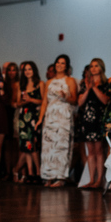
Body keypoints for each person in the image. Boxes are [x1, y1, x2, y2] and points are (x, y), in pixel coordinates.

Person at [36, 54, 78, 187]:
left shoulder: (70, 81)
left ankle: (60, 177)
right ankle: (48, 175)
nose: (59, 65)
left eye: (63, 63)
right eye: (58, 63)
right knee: (48, 146)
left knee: (61, 146)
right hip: (50, 115)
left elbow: (74, 100)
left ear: (66, 66)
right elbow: (44, 102)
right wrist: (40, 118)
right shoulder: (48, 82)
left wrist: (66, 97)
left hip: (63, 114)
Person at [76, 58, 109, 189]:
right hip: (87, 119)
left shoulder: (106, 84)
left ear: (101, 67)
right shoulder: (85, 84)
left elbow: (105, 100)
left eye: (96, 66)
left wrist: (94, 88)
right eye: (91, 66)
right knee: (90, 151)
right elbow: (80, 102)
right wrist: (88, 88)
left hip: (100, 119)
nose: (94, 68)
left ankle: (100, 179)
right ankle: (91, 179)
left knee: (99, 150)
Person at [15, 61, 44, 184]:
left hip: (34, 116)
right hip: (23, 117)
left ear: (34, 70)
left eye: (30, 69)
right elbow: (17, 103)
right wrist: (24, 101)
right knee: (26, 146)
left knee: (34, 146)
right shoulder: (21, 86)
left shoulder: (40, 84)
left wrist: (31, 99)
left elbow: (43, 101)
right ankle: (30, 173)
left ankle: (38, 172)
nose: (27, 72)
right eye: (25, 70)